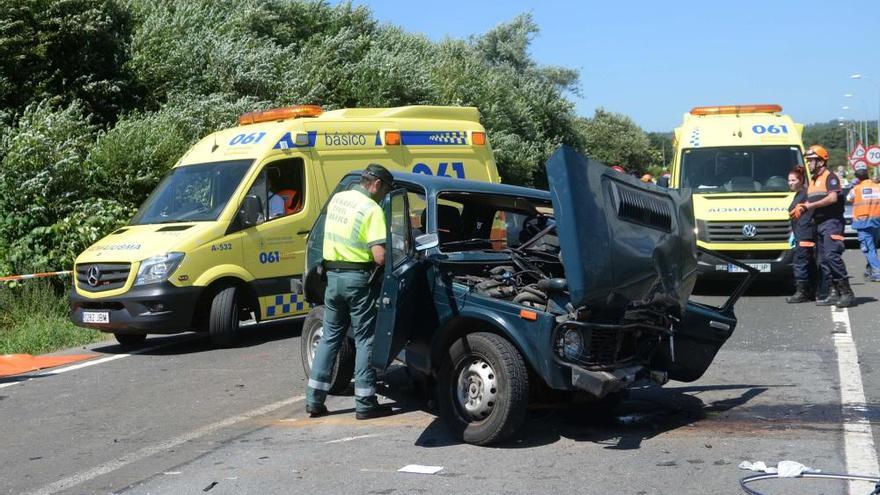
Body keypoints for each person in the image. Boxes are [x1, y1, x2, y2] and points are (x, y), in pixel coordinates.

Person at [306, 163, 394, 420]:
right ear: (376, 184)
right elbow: (379, 257)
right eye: (385, 191)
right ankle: (365, 401)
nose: (385, 196)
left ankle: (314, 399)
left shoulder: (338, 199)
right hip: (358, 281)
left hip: (332, 279)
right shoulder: (372, 209)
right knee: (365, 338)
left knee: (330, 337)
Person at [792, 145, 855, 307]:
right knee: (823, 261)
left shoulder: (830, 177)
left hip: (832, 222)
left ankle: (847, 292)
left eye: (811, 161)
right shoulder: (813, 181)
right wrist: (801, 206)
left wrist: (809, 207)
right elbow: (811, 201)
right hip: (819, 224)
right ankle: (834, 293)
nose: (809, 164)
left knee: (832, 256)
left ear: (820, 161)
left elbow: (832, 198)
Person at [785, 167, 817, 303]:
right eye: (789, 180)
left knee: (801, 262)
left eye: (793, 180)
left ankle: (802, 292)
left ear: (801, 180)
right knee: (807, 263)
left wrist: (800, 235)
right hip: (800, 233)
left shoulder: (805, 194)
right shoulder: (798, 194)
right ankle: (811, 291)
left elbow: (807, 215)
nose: (790, 183)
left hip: (805, 234)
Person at [847, 162, 880, 281]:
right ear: (868, 174)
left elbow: (848, 198)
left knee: (868, 248)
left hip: (863, 222)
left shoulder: (856, 189)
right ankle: (870, 269)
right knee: (873, 248)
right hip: (877, 222)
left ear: (857, 177)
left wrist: (854, 185)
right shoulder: (878, 186)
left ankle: (877, 272)